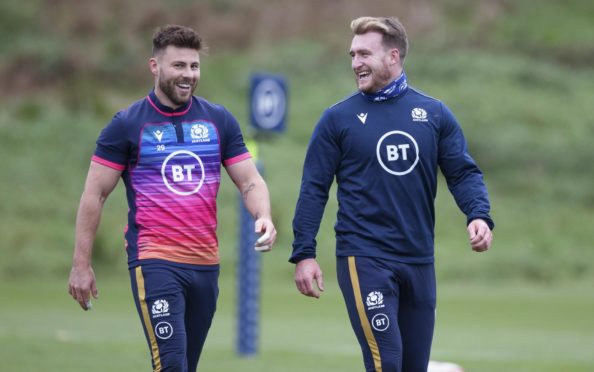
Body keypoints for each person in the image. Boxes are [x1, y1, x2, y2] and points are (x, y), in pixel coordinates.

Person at [290, 16, 493, 372]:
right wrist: (304, 253)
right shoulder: (337, 119)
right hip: (364, 257)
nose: (355, 63)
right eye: (352, 55)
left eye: (364, 54)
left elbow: (462, 172)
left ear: (393, 56)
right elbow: (314, 189)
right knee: (387, 361)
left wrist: (478, 214)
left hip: (418, 260)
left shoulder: (433, 113)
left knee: (414, 366)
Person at [68, 24, 276, 371]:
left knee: (184, 365)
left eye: (194, 66)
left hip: (206, 265)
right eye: (178, 65)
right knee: (171, 364)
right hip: (154, 261)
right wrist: (81, 264)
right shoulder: (126, 125)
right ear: (155, 66)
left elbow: (250, 180)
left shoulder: (218, 120)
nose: (189, 75)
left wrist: (263, 215)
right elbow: (95, 194)